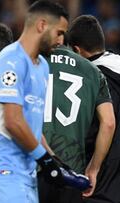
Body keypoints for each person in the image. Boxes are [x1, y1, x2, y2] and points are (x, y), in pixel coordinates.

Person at [0, 1, 69, 202]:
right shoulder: (11, 61)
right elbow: (13, 121)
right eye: (59, 32)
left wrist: (54, 160)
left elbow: (31, 125)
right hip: (0, 169)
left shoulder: (42, 65)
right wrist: (44, 158)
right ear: (42, 25)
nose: (61, 40)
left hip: (24, 172)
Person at [39, 44, 115, 202]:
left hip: (35, 166)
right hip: (73, 170)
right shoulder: (93, 70)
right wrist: (94, 168)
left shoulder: (31, 61)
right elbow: (108, 123)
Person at [68, 14, 120, 203]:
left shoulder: (92, 80)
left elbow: (103, 125)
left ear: (76, 50)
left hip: (106, 177)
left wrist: (92, 167)